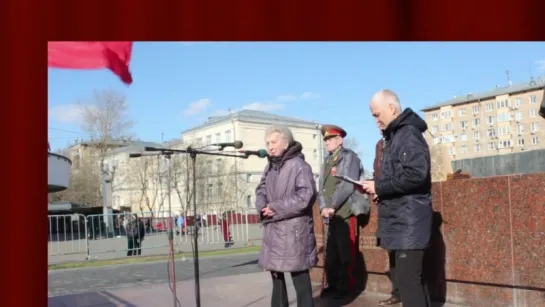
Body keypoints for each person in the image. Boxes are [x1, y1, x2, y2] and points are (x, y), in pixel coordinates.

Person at [359, 89, 433, 307]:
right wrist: (378, 188)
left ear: (391, 108)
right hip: (403, 220)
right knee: (412, 282)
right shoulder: (396, 136)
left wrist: (379, 186)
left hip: (409, 221)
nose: (376, 120)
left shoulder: (408, 134)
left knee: (409, 283)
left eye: (376, 114)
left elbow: (416, 174)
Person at [256, 124, 317, 307]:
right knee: (276, 279)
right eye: (267, 143)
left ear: (286, 142)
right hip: (273, 231)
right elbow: (260, 190)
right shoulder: (269, 167)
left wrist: (275, 207)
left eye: (273, 142)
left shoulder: (299, 165)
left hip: (294, 233)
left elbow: (306, 195)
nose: (270, 147)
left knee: (300, 280)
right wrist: (262, 207)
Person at [318, 124, 369, 300]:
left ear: (340, 140)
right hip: (331, 214)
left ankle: (347, 286)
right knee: (332, 253)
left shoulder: (349, 157)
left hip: (345, 211)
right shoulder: (327, 160)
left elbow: (347, 185)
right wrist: (323, 207)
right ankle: (333, 284)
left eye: (330, 139)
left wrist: (332, 206)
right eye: (325, 140)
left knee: (346, 251)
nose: (327, 143)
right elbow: (322, 187)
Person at [373, 128, 401, 306]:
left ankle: (407, 292)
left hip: (399, 202)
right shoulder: (380, 145)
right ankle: (396, 292)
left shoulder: (401, 141)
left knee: (404, 253)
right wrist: (376, 188)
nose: (379, 126)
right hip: (384, 203)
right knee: (391, 250)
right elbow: (378, 171)